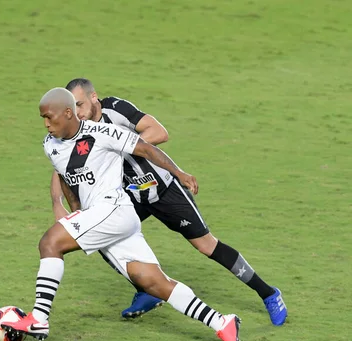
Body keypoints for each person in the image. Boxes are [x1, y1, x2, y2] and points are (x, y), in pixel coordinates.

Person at [2, 87, 241, 341]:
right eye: (42, 119)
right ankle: (223, 323)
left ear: (68, 113)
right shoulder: (50, 145)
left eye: (49, 117)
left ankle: (39, 319)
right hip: (100, 216)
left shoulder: (103, 133)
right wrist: (73, 209)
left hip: (114, 209)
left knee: (49, 243)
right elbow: (66, 176)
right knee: (152, 282)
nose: (46, 124)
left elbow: (147, 149)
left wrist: (179, 173)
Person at [48, 78, 287, 326]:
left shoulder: (115, 110)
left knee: (206, 245)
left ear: (94, 97)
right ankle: (146, 290)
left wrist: (118, 147)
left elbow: (159, 132)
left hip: (161, 187)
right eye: (72, 107)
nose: (77, 112)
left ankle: (268, 293)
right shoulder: (77, 128)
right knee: (102, 235)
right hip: (128, 196)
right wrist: (58, 204)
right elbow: (61, 166)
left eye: (80, 104)